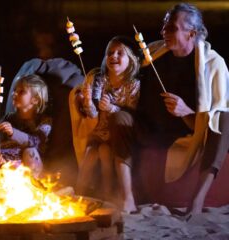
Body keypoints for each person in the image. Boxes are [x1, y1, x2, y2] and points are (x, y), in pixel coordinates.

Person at [137, 3, 229, 214]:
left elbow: (209, 122)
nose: (163, 32)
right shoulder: (154, 55)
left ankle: (197, 200)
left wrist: (186, 112)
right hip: (158, 130)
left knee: (224, 119)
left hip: (197, 131)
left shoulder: (214, 64)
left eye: (171, 28)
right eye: (164, 26)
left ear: (191, 33)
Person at [75, 36, 141, 213]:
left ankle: (109, 192)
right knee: (91, 153)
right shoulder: (99, 80)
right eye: (110, 53)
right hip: (99, 131)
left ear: (131, 60)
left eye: (120, 53)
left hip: (118, 134)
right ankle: (79, 193)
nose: (114, 56)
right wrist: (88, 102)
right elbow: (93, 114)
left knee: (106, 152)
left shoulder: (133, 85)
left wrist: (112, 107)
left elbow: (132, 111)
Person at [0, 74, 52, 178]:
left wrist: (13, 133)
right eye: (15, 90)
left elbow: (36, 142)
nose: (14, 94)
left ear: (35, 100)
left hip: (30, 167)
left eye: (21, 92)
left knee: (30, 151)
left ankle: (33, 189)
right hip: (8, 167)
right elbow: (2, 144)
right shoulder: (9, 118)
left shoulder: (44, 121)